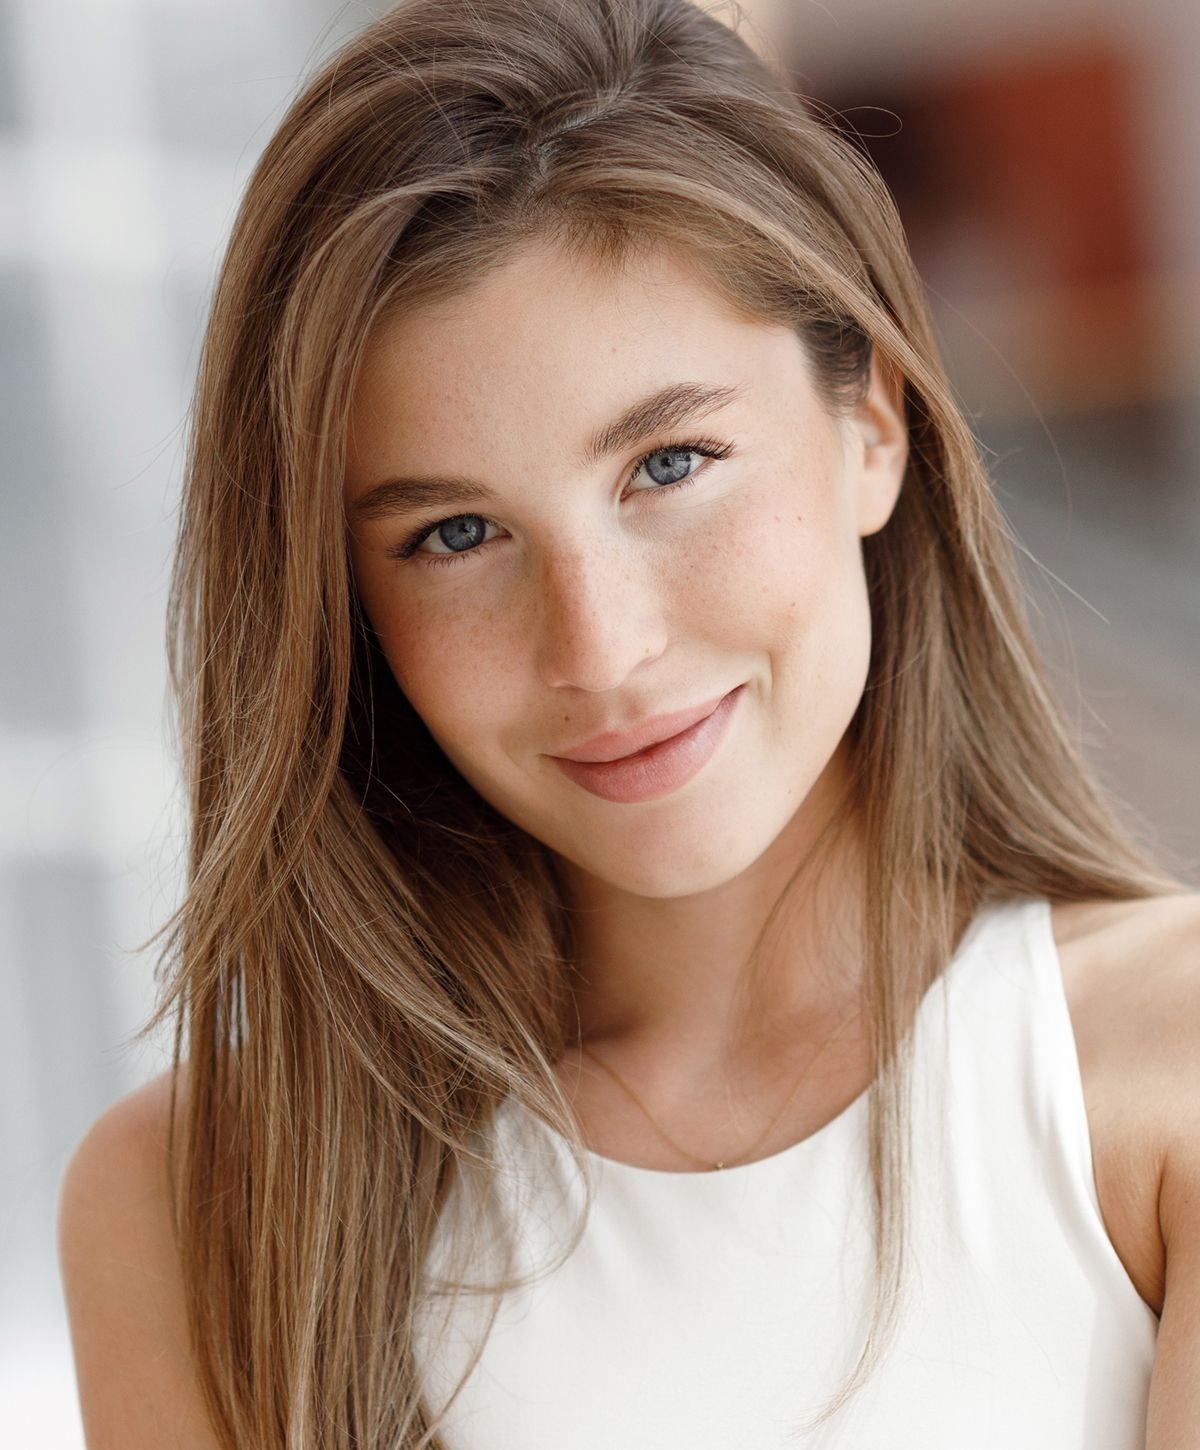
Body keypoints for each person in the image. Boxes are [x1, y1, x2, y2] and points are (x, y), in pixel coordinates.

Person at [56, 0, 1199, 1446]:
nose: (601, 647)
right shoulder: (202, 1201)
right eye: (457, 534)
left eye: (671, 462)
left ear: (875, 425)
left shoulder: (1168, 1071)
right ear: (340, 604)